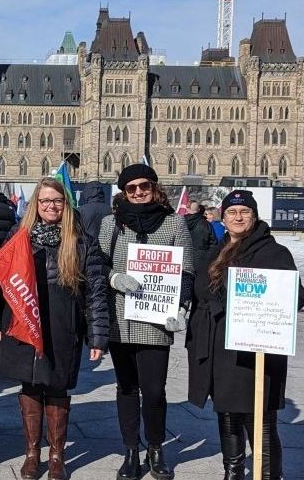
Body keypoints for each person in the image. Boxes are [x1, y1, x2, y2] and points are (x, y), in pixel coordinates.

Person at [187, 190, 304, 480]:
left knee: (260, 420)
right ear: (222, 217)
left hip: (255, 352)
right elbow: (200, 291)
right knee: (227, 414)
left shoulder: (273, 252)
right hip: (219, 348)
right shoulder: (215, 251)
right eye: (232, 212)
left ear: (254, 217)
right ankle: (234, 471)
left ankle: (268, 475)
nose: (238, 217)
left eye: (245, 212)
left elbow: (297, 296)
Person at [0, 177, 109, 480]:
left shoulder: (81, 239)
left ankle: (57, 454)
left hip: (63, 323)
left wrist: (97, 335)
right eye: (45, 200)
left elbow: (96, 289)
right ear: (36, 204)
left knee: (57, 386)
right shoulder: (19, 235)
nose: (51, 206)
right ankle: (32, 452)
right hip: (24, 319)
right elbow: (1, 283)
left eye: (57, 201)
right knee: (30, 384)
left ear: (66, 204)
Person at [98, 164, 196, 480]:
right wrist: (114, 277)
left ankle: (156, 448)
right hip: (120, 319)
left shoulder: (174, 224)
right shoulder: (110, 224)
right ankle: (130, 451)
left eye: (144, 186)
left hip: (156, 319)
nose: (139, 192)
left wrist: (181, 307)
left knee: (154, 390)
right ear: (123, 192)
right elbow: (97, 265)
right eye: (131, 188)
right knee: (126, 387)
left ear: (155, 188)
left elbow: (188, 272)